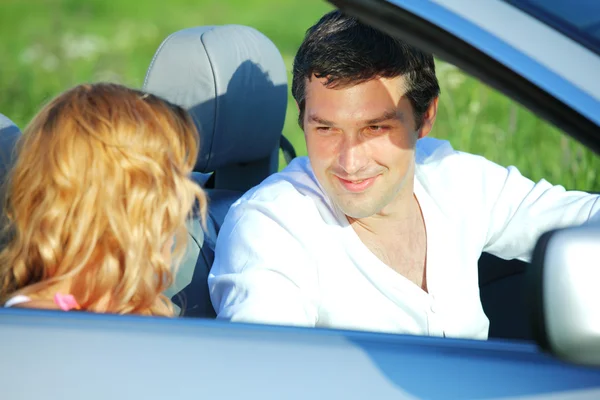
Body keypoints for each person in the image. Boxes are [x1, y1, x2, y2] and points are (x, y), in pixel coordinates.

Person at [208, 11, 600, 339]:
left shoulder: (450, 176)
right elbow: (264, 372)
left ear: (425, 116)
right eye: (325, 128)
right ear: (302, 117)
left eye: (375, 128)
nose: (349, 160)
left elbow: (582, 218)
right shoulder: (271, 227)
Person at [0, 83, 207, 316]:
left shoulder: (134, 306)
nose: (184, 197)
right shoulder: (41, 325)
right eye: (169, 182)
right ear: (124, 205)